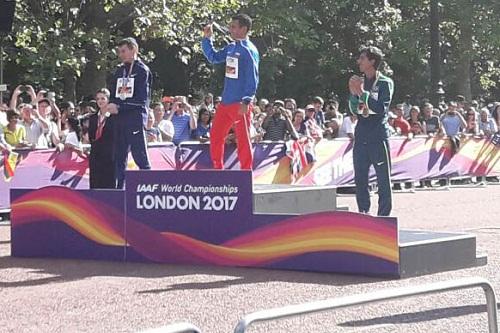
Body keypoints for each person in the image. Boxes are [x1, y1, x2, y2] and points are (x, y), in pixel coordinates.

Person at [202, 13, 259, 170]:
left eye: (234, 27)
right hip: (226, 102)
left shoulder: (249, 50)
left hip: (240, 103)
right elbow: (213, 57)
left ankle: (246, 172)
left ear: (244, 29)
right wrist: (207, 39)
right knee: (215, 135)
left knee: (243, 139)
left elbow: (253, 77)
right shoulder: (231, 47)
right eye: (230, 26)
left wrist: (247, 100)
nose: (230, 29)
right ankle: (217, 169)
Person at [348, 46, 394, 216]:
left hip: (378, 137)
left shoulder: (384, 83)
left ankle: (384, 216)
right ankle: (363, 212)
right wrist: (353, 95)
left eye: (362, 58)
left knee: (383, 180)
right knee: (360, 179)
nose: (359, 61)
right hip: (361, 137)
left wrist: (361, 93)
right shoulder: (360, 81)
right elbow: (356, 111)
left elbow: (381, 109)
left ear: (372, 61)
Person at [107, 37, 152, 189]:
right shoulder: (120, 71)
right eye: (119, 52)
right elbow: (114, 94)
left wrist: (120, 107)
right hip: (119, 120)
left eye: (124, 51)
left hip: (135, 119)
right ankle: (119, 190)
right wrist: (112, 104)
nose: (121, 54)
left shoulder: (142, 71)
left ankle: (148, 191)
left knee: (140, 156)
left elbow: (141, 100)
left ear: (134, 50)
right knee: (119, 157)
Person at [88, 88, 118, 189]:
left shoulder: (114, 118)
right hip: (96, 156)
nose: (100, 101)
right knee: (95, 185)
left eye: (103, 98)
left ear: (108, 100)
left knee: (109, 184)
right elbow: (91, 136)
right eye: (98, 99)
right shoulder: (92, 118)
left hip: (110, 156)